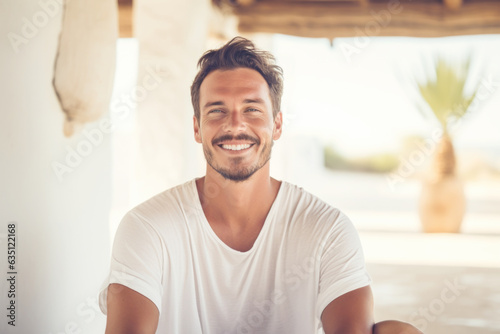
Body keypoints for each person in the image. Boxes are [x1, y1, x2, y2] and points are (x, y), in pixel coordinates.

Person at [99, 37, 422, 334]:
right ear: (197, 128)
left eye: (252, 109)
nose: (235, 124)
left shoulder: (327, 229)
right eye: (217, 111)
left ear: (277, 124)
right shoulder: (147, 228)